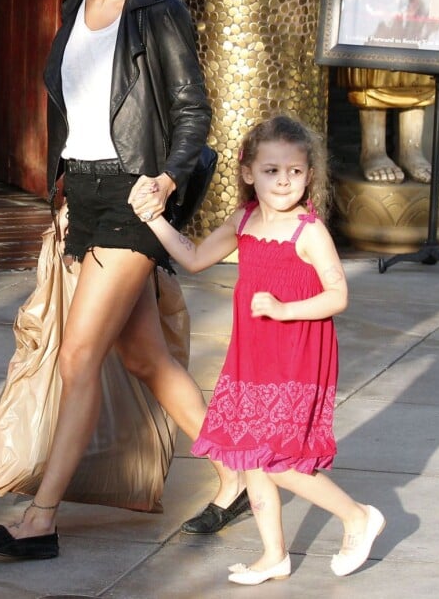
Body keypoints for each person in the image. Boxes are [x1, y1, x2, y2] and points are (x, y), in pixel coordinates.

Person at [0, 0, 246, 560]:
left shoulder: (157, 9)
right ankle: (237, 475)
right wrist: (62, 193)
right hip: (85, 196)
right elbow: (76, 113)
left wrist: (169, 181)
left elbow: (193, 113)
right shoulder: (74, 4)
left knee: (78, 356)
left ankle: (40, 519)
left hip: (135, 199)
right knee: (147, 357)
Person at [130, 115, 386, 584]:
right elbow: (192, 257)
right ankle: (274, 555)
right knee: (250, 455)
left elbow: (338, 295)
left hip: (297, 359)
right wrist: (153, 220)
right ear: (249, 172)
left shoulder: (308, 231)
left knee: (276, 459)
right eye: (271, 170)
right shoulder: (243, 221)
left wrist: (286, 310)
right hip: (251, 358)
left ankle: (356, 516)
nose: (283, 180)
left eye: (294, 171)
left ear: (309, 175)